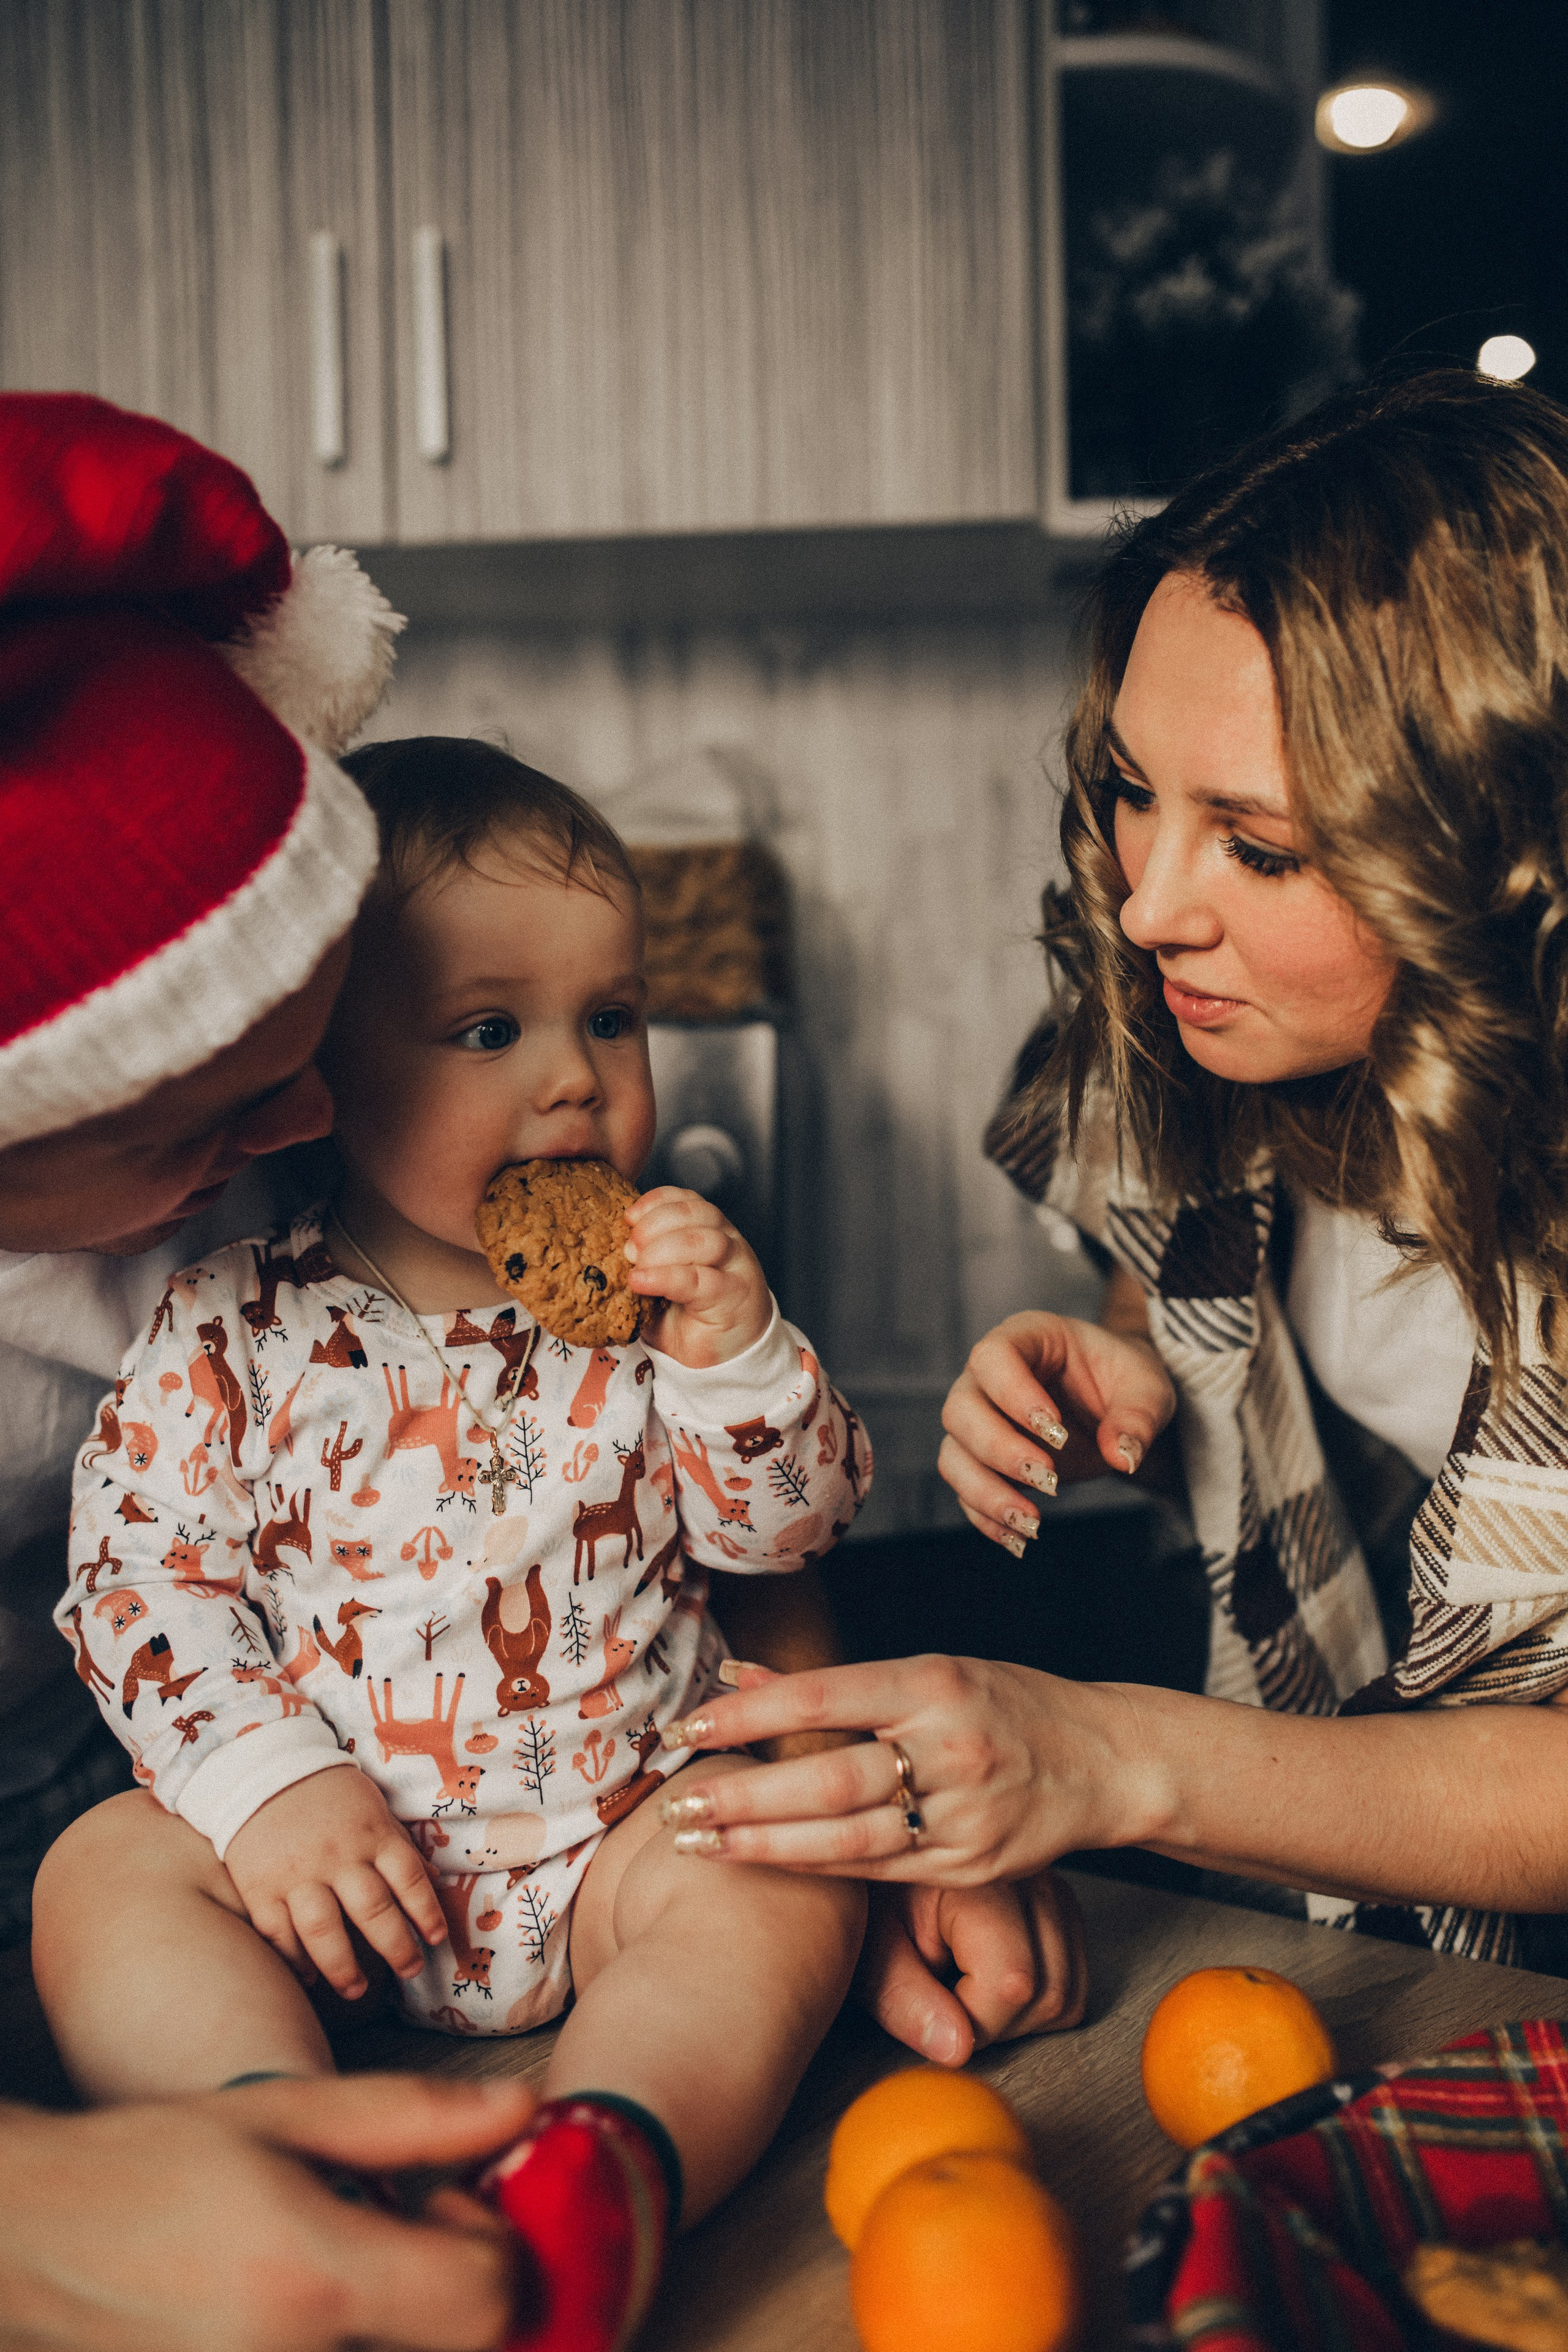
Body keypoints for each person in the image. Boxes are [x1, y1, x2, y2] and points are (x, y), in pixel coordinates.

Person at [630, 371, 1568, 1972]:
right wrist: (1123, 1377)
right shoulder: (1240, 1036)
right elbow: (1199, 1328)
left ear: (1499, 851)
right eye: (1135, 793)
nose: (1149, 908)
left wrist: (1103, 1758)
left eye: (1261, 847)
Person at [37, 734, 872, 2351]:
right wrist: (267, 1787)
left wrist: (741, 1356)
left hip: (623, 1836)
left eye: (611, 1018)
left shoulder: (660, 1324)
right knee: (106, 1874)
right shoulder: (231, 1326)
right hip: (322, 1879)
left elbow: (789, 1534)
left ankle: (614, 2154)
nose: (575, 1078)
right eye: (491, 1029)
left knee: (775, 1870)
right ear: (322, 1076)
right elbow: (136, 1581)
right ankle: (274, 2142)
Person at [0, 394, 540, 2351]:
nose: (316, 1114)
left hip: (261, 1708)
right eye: (215, 1115)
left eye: (329, 1046)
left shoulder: (311, 1161)